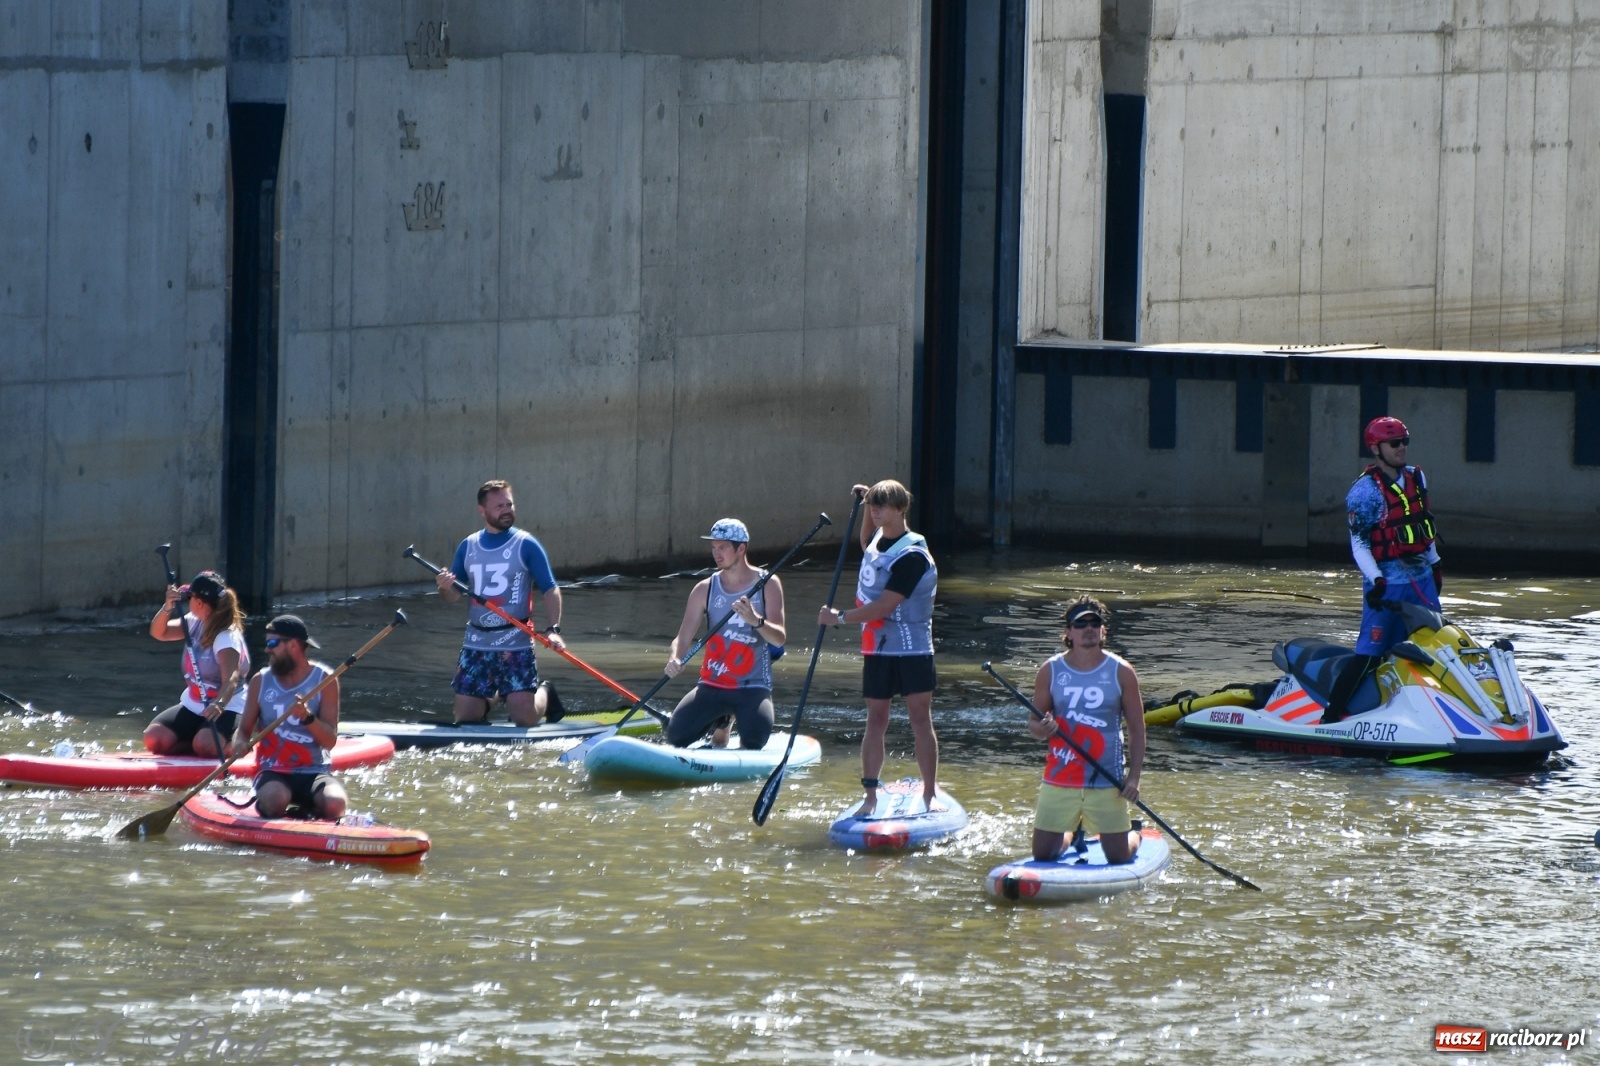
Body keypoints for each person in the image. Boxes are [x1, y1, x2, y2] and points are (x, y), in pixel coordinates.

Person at [819, 479, 940, 816]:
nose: (875, 511)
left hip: (913, 649)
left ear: (900, 509)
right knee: (875, 720)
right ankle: (870, 797)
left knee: (920, 719)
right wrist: (865, 504)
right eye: (873, 505)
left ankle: (930, 794)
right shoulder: (877, 539)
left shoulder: (913, 556)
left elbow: (884, 606)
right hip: (877, 648)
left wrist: (839, 617)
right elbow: (866, 542)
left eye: (881, 505)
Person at [1325, 416, 1444, 721]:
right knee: (1370, 655)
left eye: (1404, 441)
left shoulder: (1417, 477)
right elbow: (1359, 544)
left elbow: (1423, 525)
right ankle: (1330, 716)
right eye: (1394, 443)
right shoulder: (1364, 492)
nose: (1401, 447)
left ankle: (1434, 713)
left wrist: (1435, 564)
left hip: (1422, 581)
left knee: (1436, 650)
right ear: (1376, 449)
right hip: (1386, 586)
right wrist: (1376, 580)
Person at [435, 479, 566, 726]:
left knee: (524, 719)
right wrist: (444, 587)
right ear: (482, 510)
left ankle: (546, 693)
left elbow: (550, 589)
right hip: (476, 642)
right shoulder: (468, 546)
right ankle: (500, 693)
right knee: (465, 718)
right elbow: (452, 596)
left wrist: (553, 630)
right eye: (499, 506)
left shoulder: (526, 544)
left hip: (515, 641)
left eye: (509, 504)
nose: (507, 511)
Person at [1027, 597, 1146, 864]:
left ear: (1103, 630)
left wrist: (1134, 778)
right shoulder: (1050, 670)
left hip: (1106, 778)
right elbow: (1033, 724)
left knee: (1118, 858)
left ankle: (1136, 833)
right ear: (1068, 632)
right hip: (1060, 775)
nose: (1088, 628)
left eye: (1095, 623)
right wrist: (1043, 729)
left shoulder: (1122, 671)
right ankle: (1073, 833)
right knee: (1042, 854)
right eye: (1080, 624)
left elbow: (1137, 729)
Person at [663, 519, 786, 749]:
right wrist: (675, 658)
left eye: (723, 548)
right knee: (676, 737)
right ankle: (723, 718)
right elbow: (682, 638)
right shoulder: (704, 589)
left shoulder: (768, 584)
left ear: (741, 548)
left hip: (753, 686)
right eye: (713, 548)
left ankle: (730, 719)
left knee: (753, 742)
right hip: (713, 684)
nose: (716, 554)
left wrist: (756, 621)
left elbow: (779, 638)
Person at [235, 615, 345, 819]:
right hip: (273, 770)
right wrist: (240, 743)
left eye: (272, 643)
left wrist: (308, 718)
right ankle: (268, 804)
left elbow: (329, 741)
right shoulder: (260, 681)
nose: (267, 649)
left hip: (314, 771)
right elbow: (243, 731)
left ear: (293, 645)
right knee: (276, 800)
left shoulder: (326, 681)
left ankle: (307, 810)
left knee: (335, 805)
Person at [144, 571, 250, 757]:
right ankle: (194, 743)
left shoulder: (226, 637)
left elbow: (231, 679)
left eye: (189, 597)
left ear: (199, 603)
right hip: (195, 703)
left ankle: (236, 744)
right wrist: (167, 606)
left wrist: (219, 705)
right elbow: (159, 632)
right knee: (154, 739)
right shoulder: (194, 622)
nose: (187, 601)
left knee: (205, 746)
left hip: (228, 706)